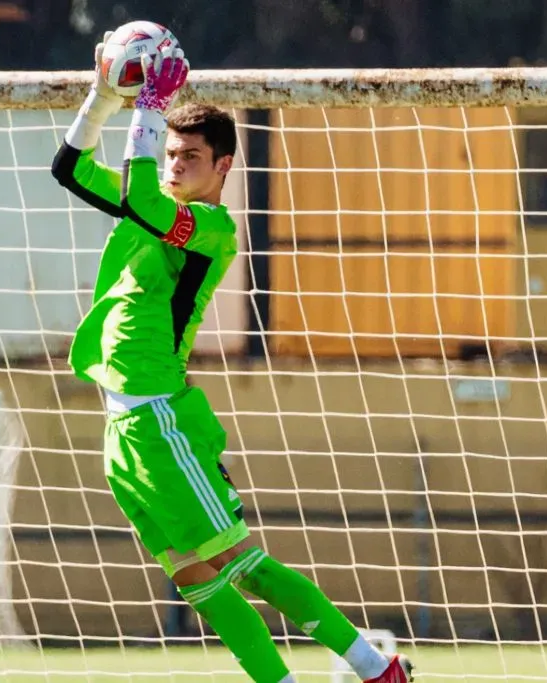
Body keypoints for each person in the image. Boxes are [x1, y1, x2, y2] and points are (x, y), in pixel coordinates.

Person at [51, 37, 414, 683]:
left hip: (162, 419)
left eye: (189, 156)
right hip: (123, 432)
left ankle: (374, 665)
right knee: (202, 585)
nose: (174, 164)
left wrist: (152, 106)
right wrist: (104, 97)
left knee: (246, 565)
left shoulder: (211, 230)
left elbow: (149, 202)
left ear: (221, 166)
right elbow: (69, 169)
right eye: (167, 154)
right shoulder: (148, 210)